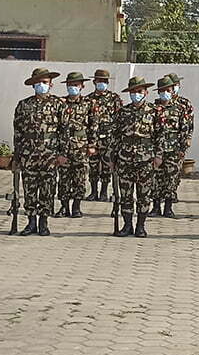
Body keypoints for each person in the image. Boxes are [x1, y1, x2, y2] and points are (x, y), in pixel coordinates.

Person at [13, 67, 64, 236]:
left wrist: (62, 153)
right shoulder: (23, 105)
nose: (41, 85)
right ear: (33, 84)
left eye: (45, 82)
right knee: (29, 189)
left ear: (51, 84)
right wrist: (17, 156)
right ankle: (31, 222)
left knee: (48, 189)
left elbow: (64, 131)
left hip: (49, 155)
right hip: (29, 155)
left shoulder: (58, 104)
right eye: (38, 82)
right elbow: (18, 132)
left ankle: (44, 222)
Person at [112, 77, 162, 238]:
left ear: (146, 92)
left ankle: (140, 226)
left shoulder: (154, 112)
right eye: (133, 92)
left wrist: (158, 155)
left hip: (145, 159)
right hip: (125, 158)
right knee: (126, 195)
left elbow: (161, 136)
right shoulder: (123, 112)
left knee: (144, 195)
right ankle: (127, 226)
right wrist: (112, 158)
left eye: (139, 92)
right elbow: (115, 136)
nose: (136, 95)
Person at [55, 72, 97, 218]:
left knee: (80, 178)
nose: (73, 87)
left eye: (76, 85)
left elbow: (93, 125)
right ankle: (64, 207)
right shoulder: (60, 103)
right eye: (70, 85)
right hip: (64, 147)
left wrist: (92, 144)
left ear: (82, 86)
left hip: (81, 148)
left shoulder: (89, 104)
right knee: (64, 178)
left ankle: (76, 207)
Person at [149, 76, 191, 219]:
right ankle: (155, 207)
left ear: (172, 90)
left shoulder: (179, 109)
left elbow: (185, 130)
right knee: (155, 179)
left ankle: (168, 207)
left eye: (167, 90)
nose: (164, 93)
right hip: (156, 150)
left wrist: (182, 149)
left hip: (173, 149)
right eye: (162, 91)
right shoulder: (152, 109)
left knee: (171, 179)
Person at [87, 70, 123, 202]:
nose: (102, 83)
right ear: (94, 82)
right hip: (92, 138)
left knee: (107, 166)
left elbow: (120, 118)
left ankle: (103, 192)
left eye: (104, 81)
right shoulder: (88, 99)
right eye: (99, 81)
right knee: (93, 166)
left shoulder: (115, 99)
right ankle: (93, 191)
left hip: (108, 138)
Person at [163, 74, 197, 207]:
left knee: (173, 173)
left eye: (174, 85)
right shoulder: (157, 105)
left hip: (176, 145)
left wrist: (186, 141)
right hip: (161, 146)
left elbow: (189, 125)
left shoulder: (184, 104)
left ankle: (171, 196)